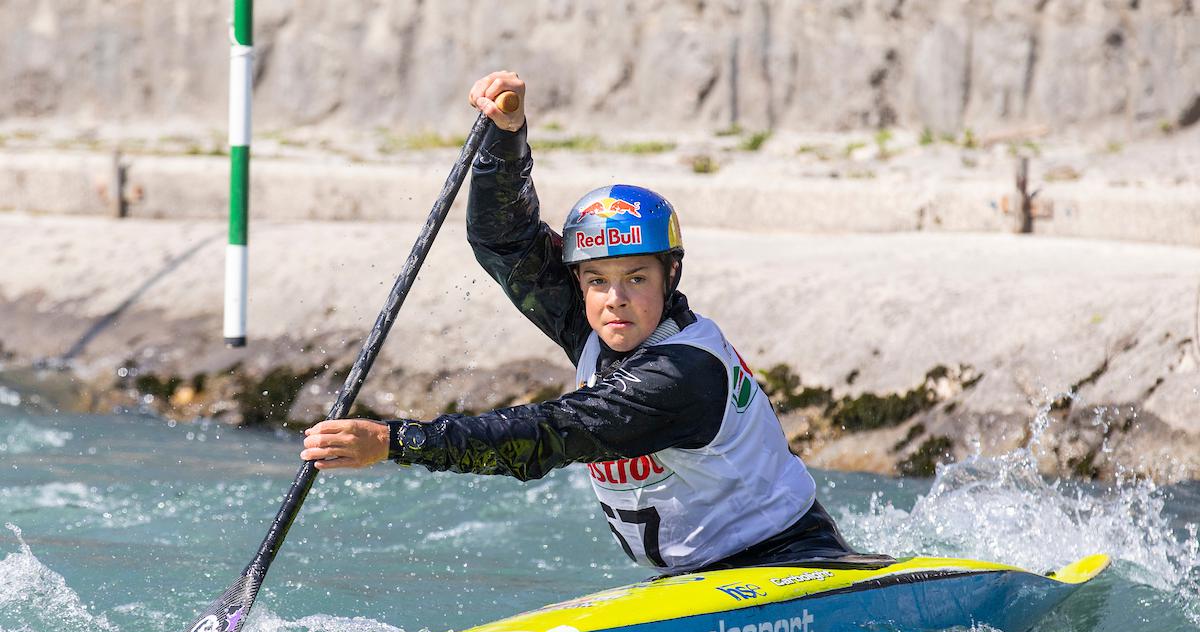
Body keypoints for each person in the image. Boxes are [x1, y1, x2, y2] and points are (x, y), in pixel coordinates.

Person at [300, 71, 864, 574]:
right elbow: (504, 240)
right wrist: (506, 136)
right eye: (597, 280)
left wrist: (396, 441)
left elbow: (543, 436)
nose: (615, 299)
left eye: (636, 279)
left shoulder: (680, 373)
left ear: (670, 276)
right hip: (697, 580)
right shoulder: (596, 324)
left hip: (789, 561)